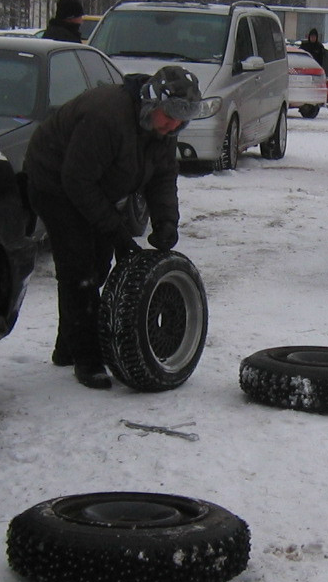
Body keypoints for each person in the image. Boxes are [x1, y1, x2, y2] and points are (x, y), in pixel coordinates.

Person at [25, 64, 203, 390]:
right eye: (169, 116)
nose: (174, 125)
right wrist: (117, 232)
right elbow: (77, 181)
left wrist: (166, 222)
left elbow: (163, 177)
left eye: (181, 120)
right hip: (55, 181)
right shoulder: (106, 118)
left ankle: (68, 346)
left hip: (95, 185)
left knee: (99, 261)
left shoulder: (162, 130)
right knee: (80, 266)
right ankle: (87, 358)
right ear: (152, 103)